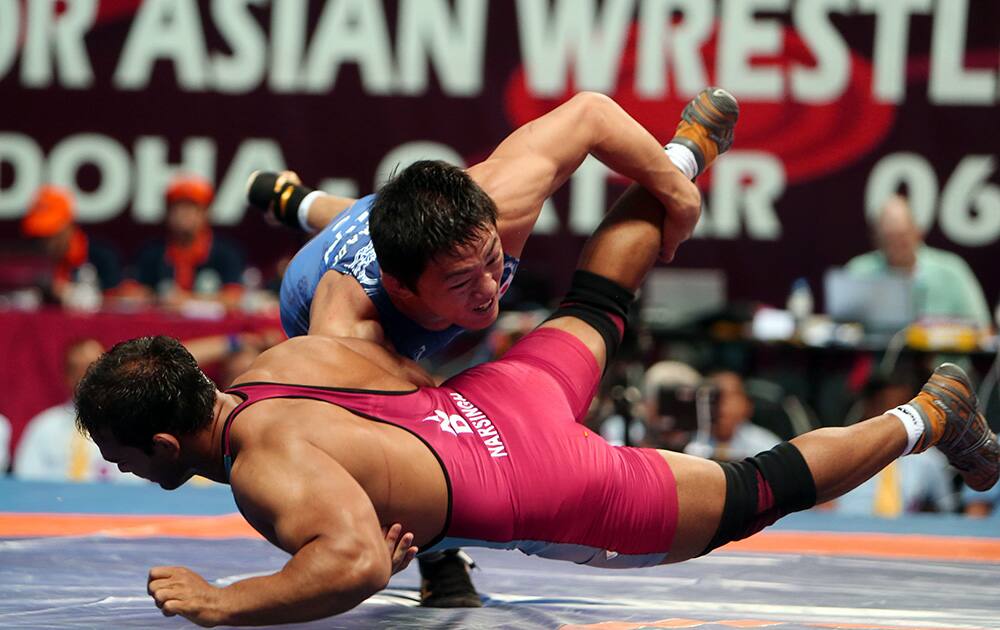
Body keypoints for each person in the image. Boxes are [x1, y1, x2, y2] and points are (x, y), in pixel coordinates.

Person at [76, 175, 998, 627]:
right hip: (496, 400)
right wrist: (412, 515)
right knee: (596, 305)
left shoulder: (261, 469)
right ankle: (676, 161)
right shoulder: (286, 359)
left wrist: (224, 602)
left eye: (120, 455)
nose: (117, 468)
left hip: (539, 479)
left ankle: (927, 415)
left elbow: (354, 563)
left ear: (162, 441)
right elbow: (402, 380)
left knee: (751, 492)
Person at [247, 88, 739, 605]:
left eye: (493, 259)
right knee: (419, 446)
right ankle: (445, 560)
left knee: (375, 218)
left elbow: (591, 113)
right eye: (464, 282)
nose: (489, 288)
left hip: (394, 233)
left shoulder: (498, 202)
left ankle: (298, 200)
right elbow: (332, 461)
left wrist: (676, 189)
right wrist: (370, 540)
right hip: (317, 295)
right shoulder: (345, 339)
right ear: (403, 290)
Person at [846, 195, 992, 329]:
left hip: (944, 357)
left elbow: (981, 327)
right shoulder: (859, 272)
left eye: (902, 237)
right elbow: (842, 330)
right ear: (876, 239)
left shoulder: (951, 270)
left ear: (917, 232)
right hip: (882, 358)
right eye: (889, 238)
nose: (896, 246)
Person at [14, 338, 133, 482]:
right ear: (66, 375)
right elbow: (26, 480)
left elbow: (135, 481)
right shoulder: (44, 427)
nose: (87, 378)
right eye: (78, 370)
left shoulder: (127, 425)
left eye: (95, 369)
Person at [134, 175, 245, 310]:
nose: (184, 215)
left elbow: (234, 299)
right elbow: (134, 294)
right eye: (178, 208)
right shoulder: (153, 252)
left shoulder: (225, 253)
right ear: (168, 213)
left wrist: (188, 301)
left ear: (206, 213)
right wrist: (155, 298)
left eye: (192, 208)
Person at [20, 185, 123, 308]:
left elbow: (121, 303)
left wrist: (71, 293)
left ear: (67, 226)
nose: (46, 242)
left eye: (51, 233)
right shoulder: (35, 263)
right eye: (40, 235)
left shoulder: (102, 257)